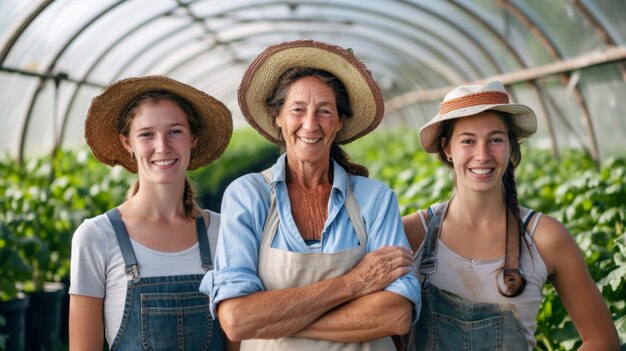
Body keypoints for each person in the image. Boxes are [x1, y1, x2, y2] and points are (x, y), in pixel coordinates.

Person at [200, 39, 420, 350]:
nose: (311, 124)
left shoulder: (375, 199)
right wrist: (355, 283)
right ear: (278, 116)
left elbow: (396, 314)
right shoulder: (248, 196)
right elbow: (237, 320)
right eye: (298, 109)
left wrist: (275, 321)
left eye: (325, 111)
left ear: (339, 121)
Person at [402, 81, 620, 350]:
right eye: (468, 141)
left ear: (510, 146)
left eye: (495, 140)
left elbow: (602, 340)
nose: (482, 155)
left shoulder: (546, 238)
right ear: (447, 148)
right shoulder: (412, 234)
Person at [69, 75, 234, 350]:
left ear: (193, 138)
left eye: (175, 131)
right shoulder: (97, 237)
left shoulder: (224, 232)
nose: (162, 146)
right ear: (127, 143)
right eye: (146, 134)